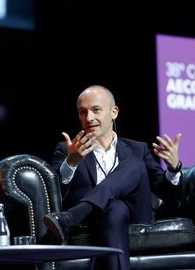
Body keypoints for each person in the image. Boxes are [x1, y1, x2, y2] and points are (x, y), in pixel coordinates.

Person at [43, 85, 183, 270]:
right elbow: (54, 194)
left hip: (136, 215)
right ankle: (78, 214)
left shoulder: (137, 149)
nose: (89, 118)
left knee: (134, 163)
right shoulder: (67, 150)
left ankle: (72, 216)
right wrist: (72, 163)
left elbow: (167, 192)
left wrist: (174, 168)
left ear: (114, 112)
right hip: (96, 220)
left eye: (96, 110)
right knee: (115, 207)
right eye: (82, 112)